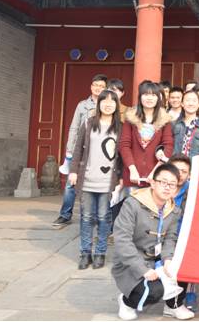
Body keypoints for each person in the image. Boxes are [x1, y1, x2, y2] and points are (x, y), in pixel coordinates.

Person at [112, 163, 194, 321]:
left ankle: (173, 305)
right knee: (155, 291)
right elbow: (122, 240)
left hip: (157, 259)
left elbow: (170, 238)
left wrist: (168, 259)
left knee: (183, 265)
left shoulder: (173, 209)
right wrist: (143, 270)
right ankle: (126, 302)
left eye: (172, 184)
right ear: (153, 183)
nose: (167, 187)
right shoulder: (133, 204)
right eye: (163, 182)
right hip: (132, 261)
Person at [70, 89, 121, 270]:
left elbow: (123, 155)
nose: (108, 104)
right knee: (86, 217)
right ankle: (85, 253)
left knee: (103, 217)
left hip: (108, 181)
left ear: (117, 105)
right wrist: (73, 171)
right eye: (104, 100)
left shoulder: (121, 127)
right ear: (98, 103)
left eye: (112, 101)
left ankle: (100, 253)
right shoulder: (89, 123)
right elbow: (78, 149)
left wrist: (121, 177)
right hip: (88, 179)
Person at [53, 73, 108, 227]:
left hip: (98, 151)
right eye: (95, 85)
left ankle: (94, 216)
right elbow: (74, 127)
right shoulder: (82, 105)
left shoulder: (107, 104)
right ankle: (65, 215)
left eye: (101, 86)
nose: (98, 88)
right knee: (71, 183)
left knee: (95, 184)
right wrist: (69, 149)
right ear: (91, 86)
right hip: (80, 149)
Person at [119, 81, 174, 193]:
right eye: (146, 94)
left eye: (153, 95)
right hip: (132, 176)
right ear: (140, 97)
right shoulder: (130, 118)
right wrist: (132, 169)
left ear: (158, 98)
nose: (149, 98)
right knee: (131, 203)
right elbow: (124, 145)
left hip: (155, 177)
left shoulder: (165, 120)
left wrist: (155, 171)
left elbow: (168, 145)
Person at [168, 155, 197, 312]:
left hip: (184, 238)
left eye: (184, 171)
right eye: (175, 169)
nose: (179, 174)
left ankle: (189, 293)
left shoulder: (194, 189)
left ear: (189, 174)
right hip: (160, 238)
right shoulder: (159, 188)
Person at [172, 89, 199, 158]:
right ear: (182, 104)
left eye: (194, 101)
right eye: (187, 100)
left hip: (196, 163)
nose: (191, 103)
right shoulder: (174, 124)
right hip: (176, 163)